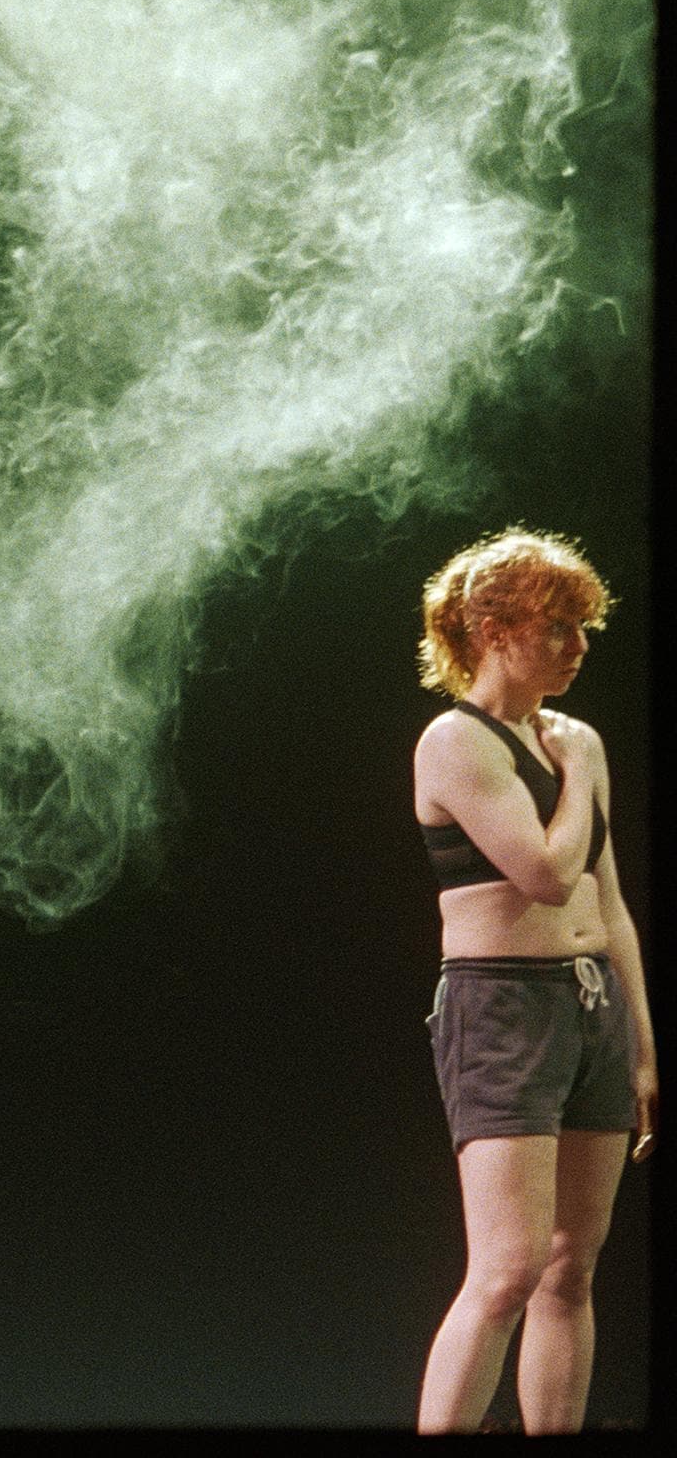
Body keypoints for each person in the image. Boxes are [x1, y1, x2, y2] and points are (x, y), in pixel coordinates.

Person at [410, 529, 654, 1434]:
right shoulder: (455, 740)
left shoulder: (570, 737)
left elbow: (607, 898)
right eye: (558, 626)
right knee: (507, 1267)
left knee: (571, 1266)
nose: (578, 646)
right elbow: (547, 873)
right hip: (504, 1006)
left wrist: (642, 1047)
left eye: (583, 627)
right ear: (491, 626)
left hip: (591, 1003)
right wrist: (581, 770)